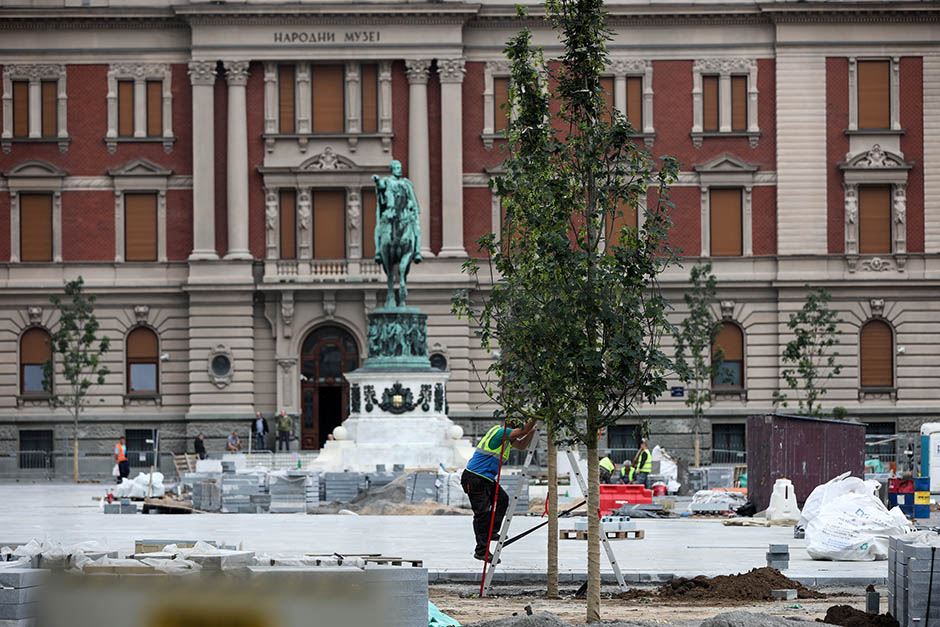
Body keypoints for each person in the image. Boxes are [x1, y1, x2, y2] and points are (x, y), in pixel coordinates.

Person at [461, 417, 538, 562]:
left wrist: (533, 431)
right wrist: (535, 419)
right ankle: (481, 551)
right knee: (482, 514)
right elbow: (523, 431)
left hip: (486, 478)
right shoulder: (500, 433)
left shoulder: (507, 439)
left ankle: (493, 531)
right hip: (475, 477)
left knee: (503, 500)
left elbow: (521, 445)